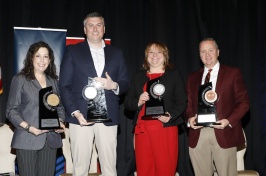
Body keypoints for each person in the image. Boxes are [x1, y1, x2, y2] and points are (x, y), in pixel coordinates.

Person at [59, 12, 129, 176]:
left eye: (98, 25)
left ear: (104, 29)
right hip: (81, 118)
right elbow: (64, 85)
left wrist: (114, 85)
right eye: (91, 25)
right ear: (85, 29)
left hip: (108, 117)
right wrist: (75, 113)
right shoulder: (73, 51)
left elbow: (125, 83)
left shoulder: (117, 53)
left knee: (110, 168)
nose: (95, 29)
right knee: (80, 168)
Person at [185, 38, 250, 176]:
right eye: (203, 51)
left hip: (223, 131)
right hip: (198, 134)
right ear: (199, 55)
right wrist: (190, 118)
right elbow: (188, 104)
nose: (207, 54)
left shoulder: (233, 73)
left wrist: (228, 121)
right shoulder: (192, 77)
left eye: (210, 50)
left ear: (218, 52)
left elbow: (244, 103)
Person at [124, 41, 187, 176]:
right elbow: (128, 103)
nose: (155, 55)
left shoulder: (174, 75)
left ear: (165, 56)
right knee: (144, 168)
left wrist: (170, 115)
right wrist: (139, 101)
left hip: (165, 127)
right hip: (143, 130)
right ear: (146, 57)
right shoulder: (138, 76)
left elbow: (182, 101)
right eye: (151, 52)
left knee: (165, 168)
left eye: (159, 52)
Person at [6, 41, 65, 176]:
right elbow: (11, 110)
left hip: (50, 139)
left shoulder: (54, 82)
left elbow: (60, 107)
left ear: (50, 60)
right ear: (31, 58)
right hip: (27, 138)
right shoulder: (20, 79)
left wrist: (60, 121)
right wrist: (28, 128)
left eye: (45, 56)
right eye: (38, 56)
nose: (42, 60)